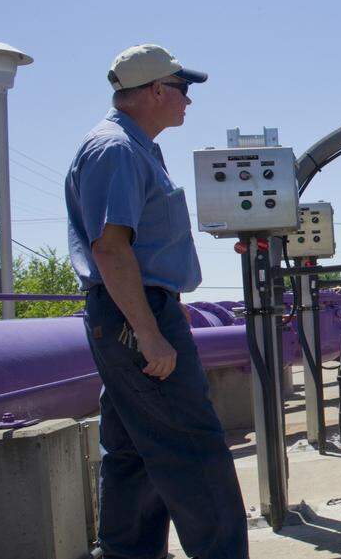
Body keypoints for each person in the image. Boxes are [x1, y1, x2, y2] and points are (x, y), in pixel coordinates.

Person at [65, 44, 248, 558]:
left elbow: (133, 249)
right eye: (183, 90)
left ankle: (126, 553)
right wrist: (148, 329)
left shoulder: (136, 147)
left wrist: (165, 300)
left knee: (133, 453)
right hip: (132, 316)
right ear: (156, 90)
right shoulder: (116, 149)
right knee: (194, 448)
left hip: (138, 306)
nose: (188, 102)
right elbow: (111, 247)